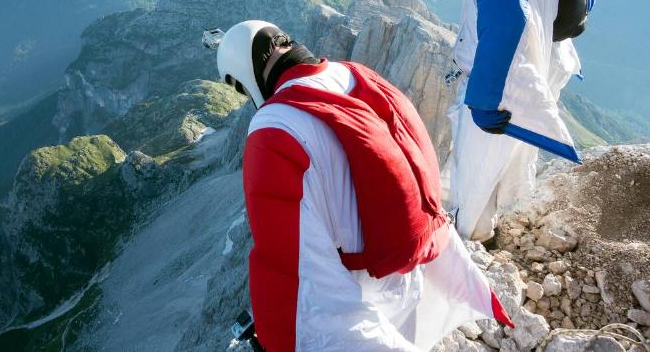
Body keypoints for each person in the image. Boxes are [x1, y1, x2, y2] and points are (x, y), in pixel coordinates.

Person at [215, 20, 513, 351]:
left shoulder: (274, 131)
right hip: (411, 272)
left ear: (246, 77)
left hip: (356, 287)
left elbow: (291, 266)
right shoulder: (359, 75)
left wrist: (280, 340)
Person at [419, 0, 591, 242]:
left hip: (506, 76)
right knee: (502, 161)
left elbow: (507, 23)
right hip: (540, 57)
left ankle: (470, 246)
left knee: (475, 171)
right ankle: (490, 230)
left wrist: (483, 96)